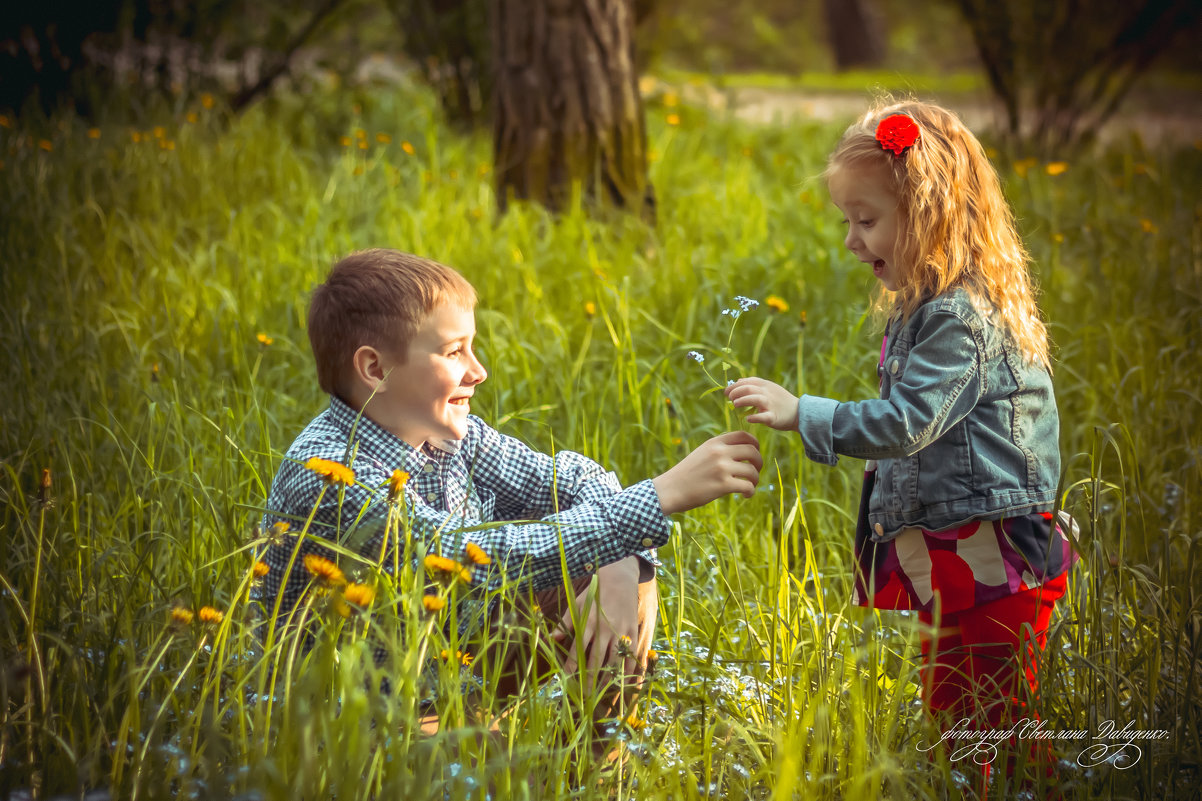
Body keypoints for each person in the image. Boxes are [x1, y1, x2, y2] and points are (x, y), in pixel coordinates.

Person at [260, 247, 761, 725]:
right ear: (375, 369)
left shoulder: (447, 433)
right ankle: (511, 759)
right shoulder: (329, 475)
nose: (479, 371)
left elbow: (574, 480)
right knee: (496, 770)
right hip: (354, 718)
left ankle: (598, 767)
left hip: (450, 662)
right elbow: (464, 554)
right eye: (455, 351)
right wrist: (657, 496)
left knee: (620, 582)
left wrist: (623, 564)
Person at [726, 101, 1077, 782]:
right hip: (958, 557)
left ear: (930, 215)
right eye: (848, 222)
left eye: (866, 221)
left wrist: (804, 413)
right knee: (959, 715)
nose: (853, 242)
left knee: (990, 727)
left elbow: (906, 424)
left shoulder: (959, 317)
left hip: (992, 563)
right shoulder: (931, 307)